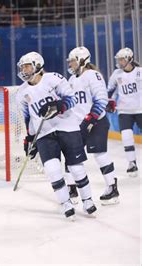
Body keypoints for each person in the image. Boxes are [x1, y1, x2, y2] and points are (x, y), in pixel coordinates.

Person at [15, 51, 97, 220]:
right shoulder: (21, 93)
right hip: (44, 134)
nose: (24, 70)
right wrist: (30, 139)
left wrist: (58, 106)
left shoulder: (54, 79)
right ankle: (65, 203)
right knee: (52, 170)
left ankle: (87, 200)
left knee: (75, 168)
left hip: (67, 127)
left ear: (38, 65)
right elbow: (28, 118)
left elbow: (72, 98)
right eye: (22, 67)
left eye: (27, 66)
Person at [65, 46, 119, 205]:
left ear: (82, 60)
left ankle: (112, 188)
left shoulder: (93, 75)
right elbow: (71, 101)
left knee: (100, 154)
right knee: (71, 155)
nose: (70, 65)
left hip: (96, 122)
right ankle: (72, 189)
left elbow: (101, 100)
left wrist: (90, 119)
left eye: (73, 61)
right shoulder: (73, 79)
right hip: (77, 123)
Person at [107, 47, 141, 177]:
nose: (120, 62)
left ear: (129, 59)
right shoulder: (117, 74)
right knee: (126, 136)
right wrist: (110, 101)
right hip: (124, 110)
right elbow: (109, 90)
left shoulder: (140, 72)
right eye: (119, 59)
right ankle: (132, 163)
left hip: (140, 109)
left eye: (122, 59)